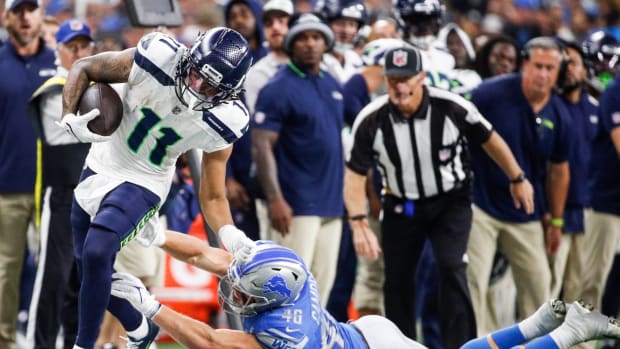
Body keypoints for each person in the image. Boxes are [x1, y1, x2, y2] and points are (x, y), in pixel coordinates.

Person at [56, 27, 254, 349]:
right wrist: (68, 114)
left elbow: (214, 193)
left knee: (97, 251)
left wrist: (230, 232)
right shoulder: (157, 57)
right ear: (189, 57)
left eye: (212, 87)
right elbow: (84, 67)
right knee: (89, 268)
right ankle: (139, 326)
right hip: (102, 160)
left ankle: (83, 345)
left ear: (231, 91)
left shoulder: (227, 119)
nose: (198, 88)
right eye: (196, 74)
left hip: (146, 180)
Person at [111, 229, 620, 349]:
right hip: (366, 333)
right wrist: (146, 231)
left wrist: (151, 308)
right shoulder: (281, 268)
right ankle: (544, 326)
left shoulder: (285, 333)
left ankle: (565, 331)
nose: (235, 299)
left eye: (245, 298)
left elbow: (212, 341)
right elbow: (207, 255)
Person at [344, 46, 534, 349]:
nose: (400, 86)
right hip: (400, 203)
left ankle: (461, 345)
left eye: (407, 78)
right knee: (397, 280)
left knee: (451, 267)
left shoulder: (451, 107)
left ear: (422, 77)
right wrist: (357, 223)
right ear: (385, 80)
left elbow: (490, 139)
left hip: (450, 201)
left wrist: (517, 178)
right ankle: (400, 345)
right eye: (393, 79)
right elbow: (354, 173)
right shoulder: (372, 119)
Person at [466, 36, 573, 336]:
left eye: (550, 68)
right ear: (525, 64)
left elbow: (559, 173)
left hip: (525, 212)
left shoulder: (560, 114)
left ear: (558, 71)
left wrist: (556, 221)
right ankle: (475, 343)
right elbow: (460, 129)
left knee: (539, 290)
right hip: (481, 205)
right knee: (473, 281)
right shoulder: (489, 94)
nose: (543, 74)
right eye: (538, 66)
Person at [251, 13, 344, 305]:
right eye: (302, 38)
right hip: (296, 204)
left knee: (322, 291)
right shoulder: (278, 87)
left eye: (316, 37)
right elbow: (261, 145)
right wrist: (275, 199)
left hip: (332, 203)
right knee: (288, 292)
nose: (310, 44)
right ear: (291, 44)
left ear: (325, 43)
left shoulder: (332, 83)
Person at [26, 19, 94, 349]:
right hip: (62, 194)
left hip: (91, 194)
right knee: (53, 279)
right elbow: (64, 132)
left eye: (85, 46)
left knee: (82, 283)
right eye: (73, 47)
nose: (81, 53)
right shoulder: (52, 88)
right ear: (61, 51)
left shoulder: (98, 84)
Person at [0, 0, 56, 347]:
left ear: (40, 13)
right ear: (6, 16)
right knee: (6, 272)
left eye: (30, 9)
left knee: (57, 271)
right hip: (6, 188)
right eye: (18, 10)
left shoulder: (58, 62)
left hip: (53, 188)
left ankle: (53, 338)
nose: (24, 17)